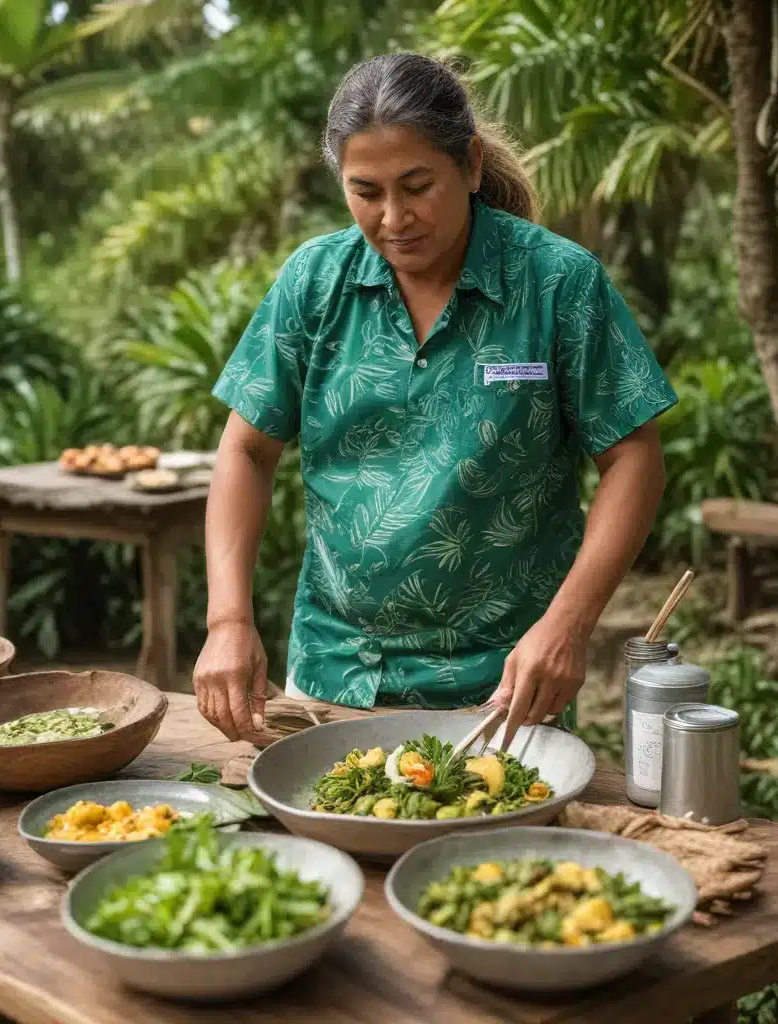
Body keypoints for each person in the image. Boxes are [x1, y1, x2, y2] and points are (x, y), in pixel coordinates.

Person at [192, 52, 676, 750]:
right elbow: (246, 449)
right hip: (336, 675)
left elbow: (634, 457)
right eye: (366, 192)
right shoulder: (314, 283)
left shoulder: (557, 284)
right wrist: (227, 621)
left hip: (505, 686)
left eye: (418, 186)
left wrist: (567, 626)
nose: (395, 218)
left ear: (472, 165)